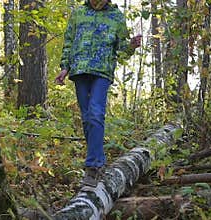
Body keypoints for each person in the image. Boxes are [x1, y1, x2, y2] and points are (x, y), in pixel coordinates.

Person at [55, 0, 141, 187]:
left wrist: (132, 46)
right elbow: (69, 42)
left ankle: (92, 168)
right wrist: (64, 68)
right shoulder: (78, 13)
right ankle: (99, 159)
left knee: (95, 113)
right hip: (79, 71)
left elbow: (122, 51)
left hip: (102, 72)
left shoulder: (116, 16)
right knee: (87, 118)